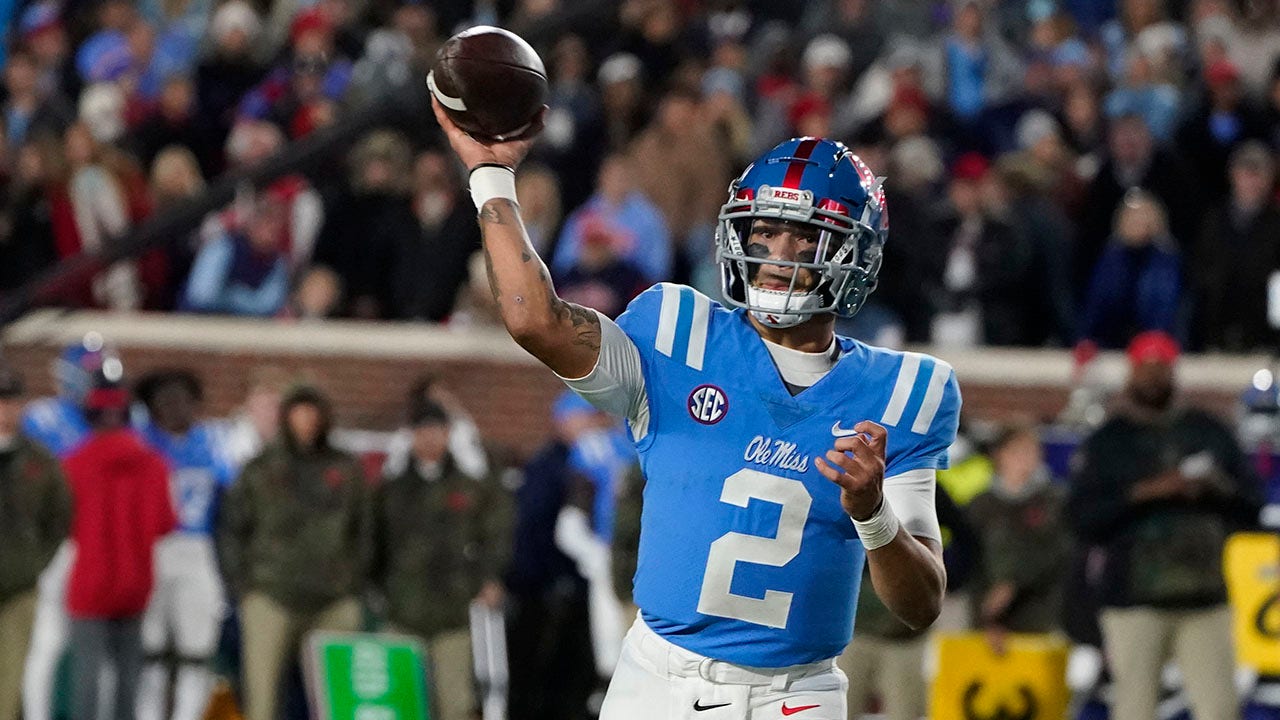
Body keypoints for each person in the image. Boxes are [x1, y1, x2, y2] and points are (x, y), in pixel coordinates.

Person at [432, 93, 959, 717]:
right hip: (658, 679)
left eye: (803, 238)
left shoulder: (903, 392)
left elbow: (920, 603)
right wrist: (491, 176)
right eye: (764, 231)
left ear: (853, 254)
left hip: (795, 696)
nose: (775, 257)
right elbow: (534, 322)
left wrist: (872, 516)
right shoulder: (676, 332)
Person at [1068, 331, 1262, 720]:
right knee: (1134, 709)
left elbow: (1251, 505)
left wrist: (1214, 487)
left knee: (1220, 709)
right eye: (1147, 367)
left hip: (1203, 595)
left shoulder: (1207, 430)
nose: (1154, 376)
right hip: (1133, 599)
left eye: (1162, 367)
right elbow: (1082, 518)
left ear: (1175, 371)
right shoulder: (1110, 440)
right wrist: (1146, 492)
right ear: (1131, 372)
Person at [216, 384, 369, 720]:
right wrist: (243, 586)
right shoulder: (260, 468)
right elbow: (233, 529)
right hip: (271, 593)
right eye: (299, 413)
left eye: (313, 414)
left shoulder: (345, 469)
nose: (306, 422)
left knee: (336, 697)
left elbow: (365, 530)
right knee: (262, 696)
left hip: (333, 595)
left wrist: (353, 582)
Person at [370, 399, 512, 720]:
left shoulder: (469, 488)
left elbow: (492, 536)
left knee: (455, 702)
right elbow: (373, 544)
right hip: (401, 611)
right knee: (401, 703)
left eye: (438, 431)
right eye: (423, 431)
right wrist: (378, 591)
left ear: (448, 434)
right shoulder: (391, 491)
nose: (430, 439)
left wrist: (488, 578)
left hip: (454, 614)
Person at [64, 366, 176, 720]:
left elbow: (61, 524)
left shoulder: (73, 464)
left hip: (88, 584)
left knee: (87, 677)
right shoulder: (154, 464)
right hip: (136, 583)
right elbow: (164, 524)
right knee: (129, 678)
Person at [21, 333, 118, 720]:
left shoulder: (115, 421)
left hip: (102, 543)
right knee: (49, 639)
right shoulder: (42, 419)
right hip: (60, 543)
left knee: (106, 641)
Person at [133, 369, 235, 720]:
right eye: (165, 400)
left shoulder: (213, 442)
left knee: (197, 649)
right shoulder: (139, 445)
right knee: (151, 650)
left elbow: (230, 498)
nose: (176, 408)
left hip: (198, 546)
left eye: (183, 399)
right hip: (151, 548)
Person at [0, 366, 70, 720]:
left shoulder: (39, 461)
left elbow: (58, 519)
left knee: (11, 678)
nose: (4, 410)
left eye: (10, 401)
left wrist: (33, 562)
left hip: (19, 584)